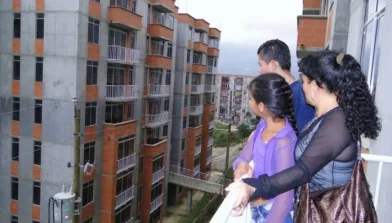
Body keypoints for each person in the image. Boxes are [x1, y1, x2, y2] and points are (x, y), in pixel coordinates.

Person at [226, 51, 381, 218]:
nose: (302, 86)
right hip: (320, 209)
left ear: (316, 85)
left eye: (304, 81)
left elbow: (303, 170)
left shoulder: (338, 122)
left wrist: (253, 187)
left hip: (334, 214)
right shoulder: (326, 117)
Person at [232, 74, 298, 223]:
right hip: (257, 208)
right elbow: (245, 154)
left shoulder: (283, 142)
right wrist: (241, 165)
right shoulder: (263, 126)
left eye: (250, 98)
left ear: (261, 106)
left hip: (272, 214)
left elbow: (285, 197)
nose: (248, 102)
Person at [256, 39, 315, 132]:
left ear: (272, 64)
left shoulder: (300, 93)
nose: (259, 70)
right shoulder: (284, 91)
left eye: (260, 64)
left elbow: (303, 134)